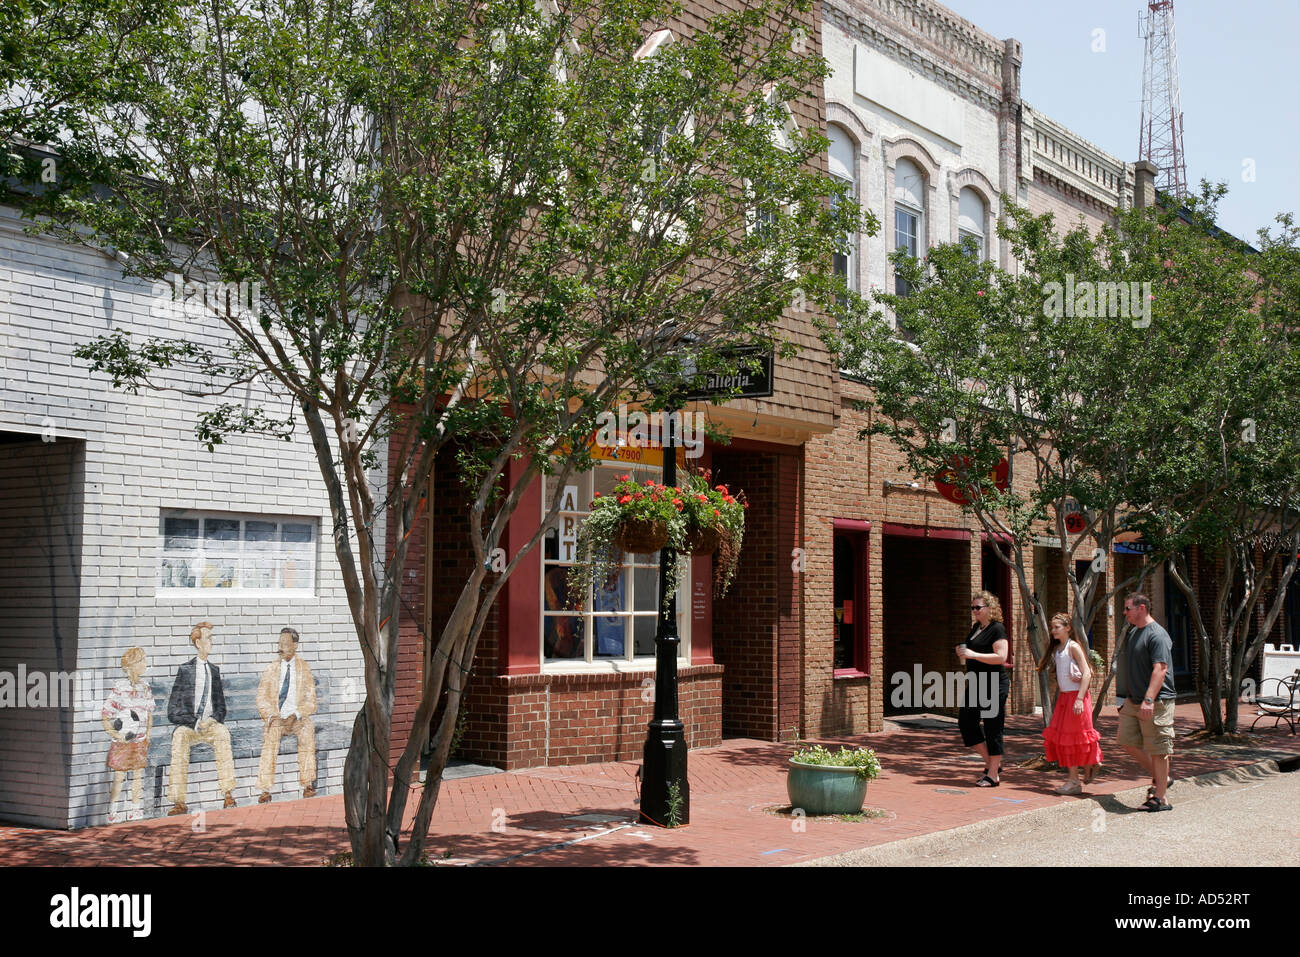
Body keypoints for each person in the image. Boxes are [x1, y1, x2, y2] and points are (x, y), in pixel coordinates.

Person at [166, 621, 238, 815]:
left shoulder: (214, 671)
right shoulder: (185, 670)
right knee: (179, 737)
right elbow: (172, 710)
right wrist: (195, 722)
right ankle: (178, 801)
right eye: (208, 638)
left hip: (211, 725)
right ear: (198, 643)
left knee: (223, 734)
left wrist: (214, 720)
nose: (211, 642)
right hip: (190, 725)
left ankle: (228, 793)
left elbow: (221, 707)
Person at [1117, 592, 1176, 811]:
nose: (1125, 613)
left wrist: (1149, 699)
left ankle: (1161, 798)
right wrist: (1127, 698)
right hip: (1134, 701)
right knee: (1126, 741)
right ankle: (1162, 778)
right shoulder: (1134, 633)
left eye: (1127, 609)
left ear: (1141, 608)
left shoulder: (1157, 634)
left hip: (1157, 701)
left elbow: (1160, 669)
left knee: (1159, 749)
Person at [1037, 613, 1103, 795]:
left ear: (1067, 628)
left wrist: (1080, 699)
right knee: (1065, 738)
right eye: (1052, 627)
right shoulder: (1059, 648)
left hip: (1076, 698)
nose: (1053, 630)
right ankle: (1086, 767)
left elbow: (1088, 673)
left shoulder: (1073, 647)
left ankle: (1076, 778)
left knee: (1075, 738)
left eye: (1056, 627)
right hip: (1065, 698)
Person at [256, 627, 318, 803]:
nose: (281, 647)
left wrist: (296, 714)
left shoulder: (304, 669)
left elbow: (311, 701)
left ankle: (307, 785)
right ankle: (265, 789)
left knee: (307, 731)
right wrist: (271, 716)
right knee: (269, 736)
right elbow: (261, 698)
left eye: (285, 643)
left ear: (295, 645)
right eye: (279, 643)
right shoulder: (271, 669)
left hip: (297, 718)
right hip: (277, 718)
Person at [956, 590, 1010, 787]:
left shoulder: (997, 629)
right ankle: (991, 763)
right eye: (973, 608)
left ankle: (993, 775)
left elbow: (1001, 657)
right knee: (966, 721)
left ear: (990, 608)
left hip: (994, 684)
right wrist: (963, 652)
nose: (975, 611)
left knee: (992, 727)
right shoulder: (976, 628)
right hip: (977, 683)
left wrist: (973, 654)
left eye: (978, 607)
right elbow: (971, 651)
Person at [100, 647, 155, 823]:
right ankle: (113, 810)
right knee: (119, 776)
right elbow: (106, 714)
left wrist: (147, 734)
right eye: (142, 661)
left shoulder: (145, 687)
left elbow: (149, 713)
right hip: (123, 742)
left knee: (138, 775)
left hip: (139, 741)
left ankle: (134, 809)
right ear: (132, 665)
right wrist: (115, 734)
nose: (145, 664)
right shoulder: (120, 688)